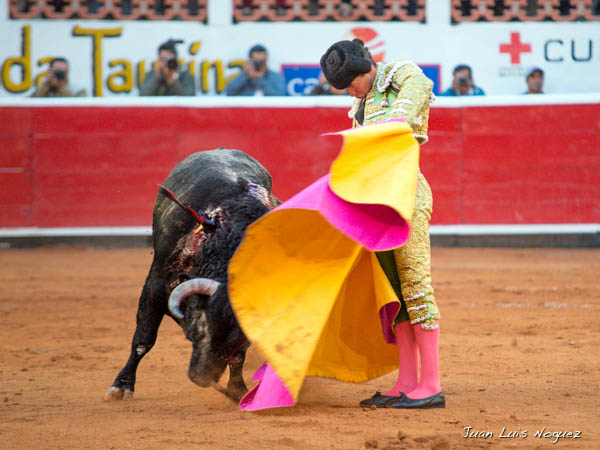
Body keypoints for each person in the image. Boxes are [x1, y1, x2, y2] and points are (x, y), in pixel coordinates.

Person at [320, 39, 444, 409]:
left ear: (366, 68)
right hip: (377, 203)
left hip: (406, 196)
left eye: (353, 82)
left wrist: (391, 125)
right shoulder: (359, 107)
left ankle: (431, 385)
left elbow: (421, 86)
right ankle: (406, 382)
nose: (352, 90)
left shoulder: (399, 73)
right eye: (346, 87)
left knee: (416, 287)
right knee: (394, 293)